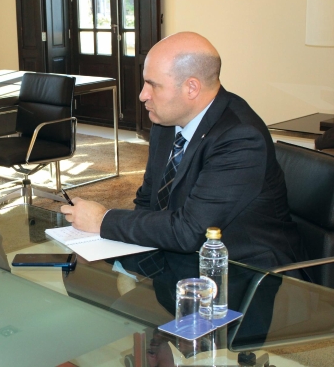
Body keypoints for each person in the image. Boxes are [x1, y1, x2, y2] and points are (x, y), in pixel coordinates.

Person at [61, 32, 304, 284]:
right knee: (83, 287)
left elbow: (190, 231)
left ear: (191, 87)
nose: (143, 95)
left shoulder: (240, 138)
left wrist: (103, 220)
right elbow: (148, 200)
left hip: (244, 275)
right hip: (179, 263)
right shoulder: (166, 122)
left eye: (153, 85)